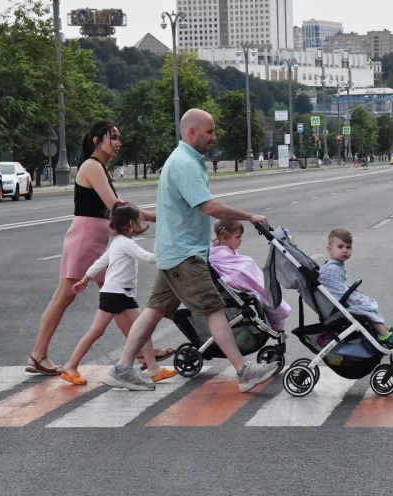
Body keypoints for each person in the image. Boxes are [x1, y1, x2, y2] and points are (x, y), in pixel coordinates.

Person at [103, 109, 278, 392]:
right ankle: (244, 372)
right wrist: (250, 216)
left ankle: (122, 369)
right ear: (192, 132)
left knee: (153, 311)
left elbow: (179, 210)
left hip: (175, 251)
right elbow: (208, 207)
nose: (214, 137)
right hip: (184, 254)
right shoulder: (184, 163)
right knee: (214, 308)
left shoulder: (185, 160)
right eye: (209, 131)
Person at [25, 119, 165, 376]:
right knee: (65, 296)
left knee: (118, 298)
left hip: (94, 240)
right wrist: (154, 216)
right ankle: (38, 354)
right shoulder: (92, 166)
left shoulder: (99, 167)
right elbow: (115, 205)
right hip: (85, 239)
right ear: (96, 140)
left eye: (118, 137)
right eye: (112, 137)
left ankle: (146, 352)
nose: (118, 143)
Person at [61, 202, 177, 385]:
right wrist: (169, 254)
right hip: (115, 294)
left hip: (122, 294)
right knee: (97, 331)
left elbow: (100, 262)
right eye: (139, 221)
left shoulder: (117, 243)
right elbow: (147, 257)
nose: (141, 224)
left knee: (143, 328)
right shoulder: (125, 244)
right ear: (131, 224)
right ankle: (70, 366)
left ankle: (154, 370)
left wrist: (84, 280)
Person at [318, 227, 393, 346]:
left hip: (338, 303)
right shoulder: (332, 269)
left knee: (364, 302)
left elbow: (338, 286)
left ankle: (384, 327)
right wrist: (354, 297)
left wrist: (354, 292)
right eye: (340, 247)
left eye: (348, 247)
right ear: (329, 249)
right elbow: (336, 292)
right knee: (366, 307)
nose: (345, 250)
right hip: (337, 306)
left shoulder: (335, 265)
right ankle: (383, 334)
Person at [209, 220, 291, 332]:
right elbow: (233, 272)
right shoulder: (218, 255)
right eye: (238, 237)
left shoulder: (219, 250)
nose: (240, 240)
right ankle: (277, 309)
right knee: (249, 266)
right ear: (226, 237)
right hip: (236, 283)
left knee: (248, 264)